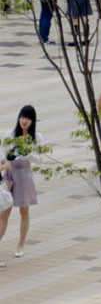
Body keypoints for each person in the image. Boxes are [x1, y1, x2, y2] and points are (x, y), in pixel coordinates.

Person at [0, 104, 45, 261]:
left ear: (32, 121)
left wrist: (28, 153)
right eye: (22, 117)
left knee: (24, 212)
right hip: (9, 176)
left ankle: (21, 244)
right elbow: (2, 153)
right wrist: (4, 161)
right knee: (4, 212)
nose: (24, 121)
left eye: (28, 118)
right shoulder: (10, 135)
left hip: (25, 175)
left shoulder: (36, 138)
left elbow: (40, 159)